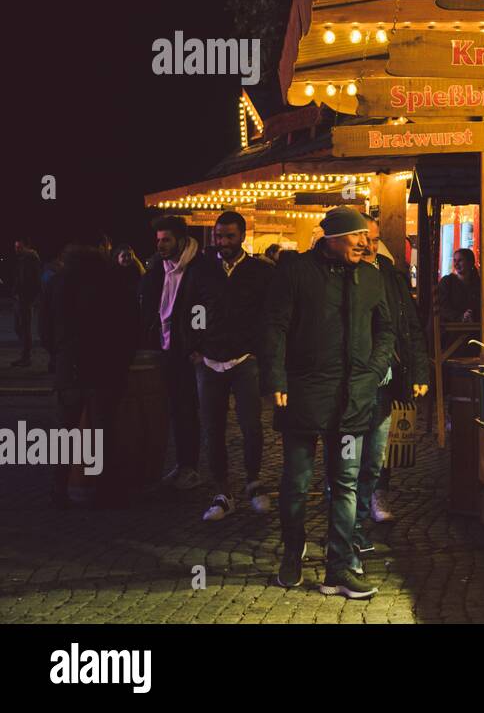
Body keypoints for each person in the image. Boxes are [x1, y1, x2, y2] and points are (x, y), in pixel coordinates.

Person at [262, 206, 394, 598]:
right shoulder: (294, 272)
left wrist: (371, 374)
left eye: (367, 238)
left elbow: (385, 330)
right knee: (297, 483)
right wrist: (276, 378)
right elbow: (275, 326)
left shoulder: (371, 276)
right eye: (357, 237)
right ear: (333, 238)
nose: (365, 244)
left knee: (346, 484)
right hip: (303, 394)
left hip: (353, 399)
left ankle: (338, 569)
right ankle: (292, 550)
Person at [183, 211, 276, 522]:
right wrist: (195, 347)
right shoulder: (202, 271)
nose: (222, 242)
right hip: (209, 359)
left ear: (242, 237)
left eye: (229, 236)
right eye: (218, 236)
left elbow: (269, 316)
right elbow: (191, 308)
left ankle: (254, 481)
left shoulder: (260, 273)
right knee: (213, 427)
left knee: (251, 425)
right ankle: (222, 491)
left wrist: (259, 352)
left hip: (245, 358)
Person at [38, 232, 138, 508]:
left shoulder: (57, 281)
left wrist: (59, 355)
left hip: (69, 368)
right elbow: (130, 327)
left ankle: (58, 490)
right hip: (105, 369)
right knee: (103, 432)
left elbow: (44, 330)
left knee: (66, 433)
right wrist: (122, 361)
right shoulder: (112, 280)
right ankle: (105, 490)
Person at [348, 218, 428, 557]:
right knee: (348, 451)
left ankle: (373, 500)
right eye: (364, 238)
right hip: (349, 376)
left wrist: (419, 371)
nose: (369, 245)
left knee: (378, 448)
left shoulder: (388, 273)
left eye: (375, 239)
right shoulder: (339, 273)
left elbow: (410, 324)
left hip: (386, 374)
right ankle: (347, 522)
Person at [138, 216, 203, 490]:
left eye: (166, 240)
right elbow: (148, 305)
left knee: (188, 408)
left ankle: (191, 467)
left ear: (181, 240)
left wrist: (199, 345)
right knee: (173, 408)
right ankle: (180, 464)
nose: (161, 245)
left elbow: (206, 308)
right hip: (163, 347)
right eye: (158, 240)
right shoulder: (157, 267)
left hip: (187, 351)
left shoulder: (199, 268)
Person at [9, 237, 42, 367]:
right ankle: (25, 354)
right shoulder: (21, 259)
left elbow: (34, 281)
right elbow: (19, 278)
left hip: (25, 298)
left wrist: (29, 297)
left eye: (19, 247)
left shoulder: (31, 258)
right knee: (18, 327)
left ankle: (26, 356)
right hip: (19, 298)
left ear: (26, 246)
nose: (16, 249)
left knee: (24, 327)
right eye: (15, 247)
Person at [435, 248, 480, 323]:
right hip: (451, 327)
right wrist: (461, 317)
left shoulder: (478, 283)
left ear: (469, 262)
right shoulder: (447, 282)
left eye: (460, 260)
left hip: (475, 326)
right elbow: (443, 307)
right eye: (454, 260)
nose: (456, 264)